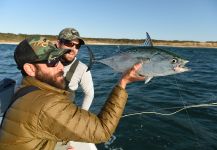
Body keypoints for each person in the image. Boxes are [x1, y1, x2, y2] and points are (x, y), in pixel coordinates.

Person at [0, 36, 145, 150]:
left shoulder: (25, 90)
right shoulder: (46, 104)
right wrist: (123, 83)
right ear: (30, 69)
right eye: (51, 62)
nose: (61, 67)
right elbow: (103, 131)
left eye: (58, 59)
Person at [56, 28, 94, 111]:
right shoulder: (43, 62)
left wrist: (82, 114)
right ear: (58, 43)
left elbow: (89, 93)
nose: (73, 50)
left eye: (77, 46)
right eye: (69, 43)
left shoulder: (83, 69)